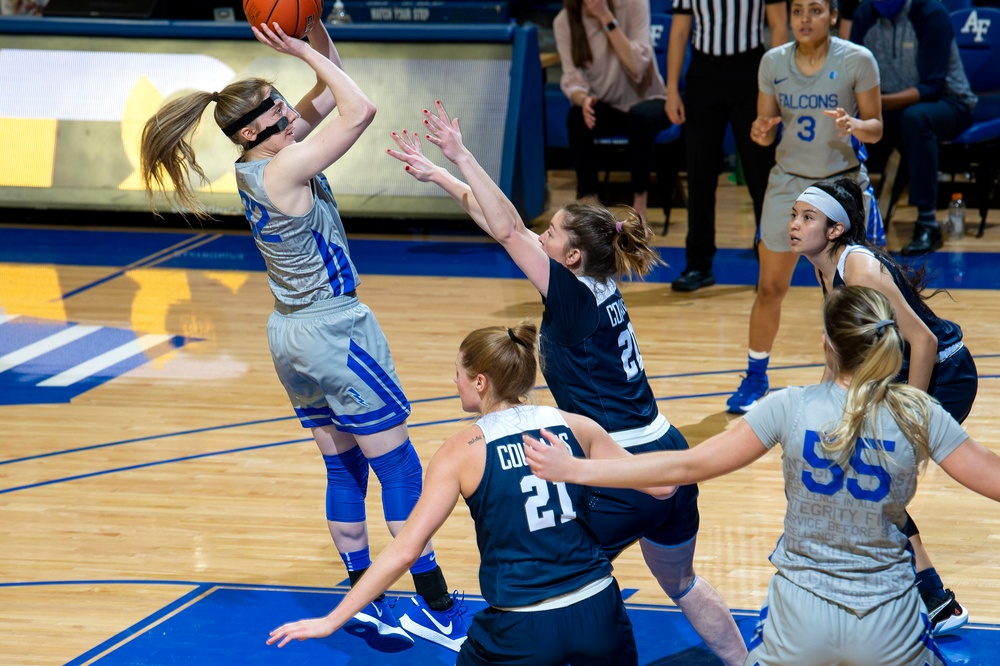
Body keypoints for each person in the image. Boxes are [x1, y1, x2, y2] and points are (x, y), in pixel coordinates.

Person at [138, 22, 464, 653]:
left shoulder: (258, 162)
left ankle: (366, 601)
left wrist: (311, 28)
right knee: (397, 465)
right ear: (259, 130)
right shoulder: (286, 166)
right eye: (283, 111)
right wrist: (302, 49)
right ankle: (439, 608)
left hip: (289, 336)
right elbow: (359, 107)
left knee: (343, 469)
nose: (296, 112)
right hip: (335, 330)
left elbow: (328, 88)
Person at [385, 102, 749, 666]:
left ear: (571, 255)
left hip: (622, 465)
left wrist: (460, 153)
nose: (540, 235)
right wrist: (443, 178)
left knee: (555, 581)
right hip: (666, 449)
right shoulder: (596, 283)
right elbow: (501, 223)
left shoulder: (571, 297)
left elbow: (505, 227)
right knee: (681, 582)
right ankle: (744, 663)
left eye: (550, 233)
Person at [525, 285, 1000, 665]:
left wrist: (577, 468)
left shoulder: (789, 406)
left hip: (801, 615)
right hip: (886, 614)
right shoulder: (919, 412)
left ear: (828, 344)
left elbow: (688, 465)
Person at [267, 321, 675, 664]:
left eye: (458, 373)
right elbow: (662, 486)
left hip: (522, 626)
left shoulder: (459, 452)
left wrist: (333, 619)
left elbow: (406, 549)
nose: (454, 381)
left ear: (480, 382)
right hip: (599, 610)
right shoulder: (574, 425)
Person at [789, 176, 979, 634]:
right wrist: (817, 409)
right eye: (793, 215)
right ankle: (927, 600)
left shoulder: (859, 270)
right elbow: (842, 347)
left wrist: (913, 419)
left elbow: (924, 339)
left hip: (943, 375)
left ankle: (933, 601)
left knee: (871, 484)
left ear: (835, 229)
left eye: (806, 217)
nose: (794, 225)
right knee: (859, 481)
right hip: (900, 377)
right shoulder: (822, 264)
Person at [727, 0, 884, 414]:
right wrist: (759, 132)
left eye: (815, 10)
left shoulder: (857, 59)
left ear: (833, 15)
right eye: (797, 11)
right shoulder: (773, 62)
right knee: (770, 287)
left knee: (844, 293)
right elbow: (764, 130)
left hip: (841, 185)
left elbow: (877, 128)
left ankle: (849, 377)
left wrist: (855, 126)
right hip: (789, 183)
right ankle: (755, 376)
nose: (804, 19)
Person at [667, 0, 788, 292]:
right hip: (703, 72)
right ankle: (698, 263)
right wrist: (671, 89)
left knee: (760, 172)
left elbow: (779, 25)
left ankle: (768, 258)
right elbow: (680, 30)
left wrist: (773, 86)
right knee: (699, 173)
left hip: (750, 71)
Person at [851, 0, 978, 256]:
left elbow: (932, 86)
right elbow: (853, 69)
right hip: (890, 106)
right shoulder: (865, 14)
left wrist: (873, 102)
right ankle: (847, 218)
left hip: (949, 102)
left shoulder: (931, 13)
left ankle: (928, 223)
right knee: (849, 118)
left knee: (915, 118)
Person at [554, 0, 671, 223]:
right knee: (576, 117)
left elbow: (637, 66)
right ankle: (589, 207)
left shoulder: (634, 4)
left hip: (648, 99)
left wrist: (606, 17)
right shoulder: (564, 21)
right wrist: (584, 99)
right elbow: (572, 79)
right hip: (607, 104)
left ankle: (639, 209)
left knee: (641, 116)